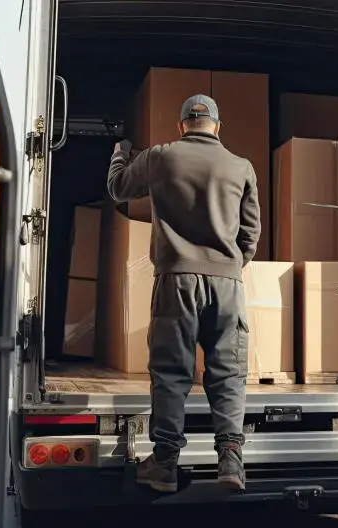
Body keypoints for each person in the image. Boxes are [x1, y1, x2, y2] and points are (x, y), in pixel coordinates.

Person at [106, 94, 261, 494]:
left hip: (176, 280)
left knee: (172, 373)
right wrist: (229, 264)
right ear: (217, 126)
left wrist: (120, 153)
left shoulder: (160, 157)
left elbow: (118, 188)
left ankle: (165, 464)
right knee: (228, 374)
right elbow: (250, 233)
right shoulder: (241, 167)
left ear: (181, 126)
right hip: (227, 284)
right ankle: (230, 460)